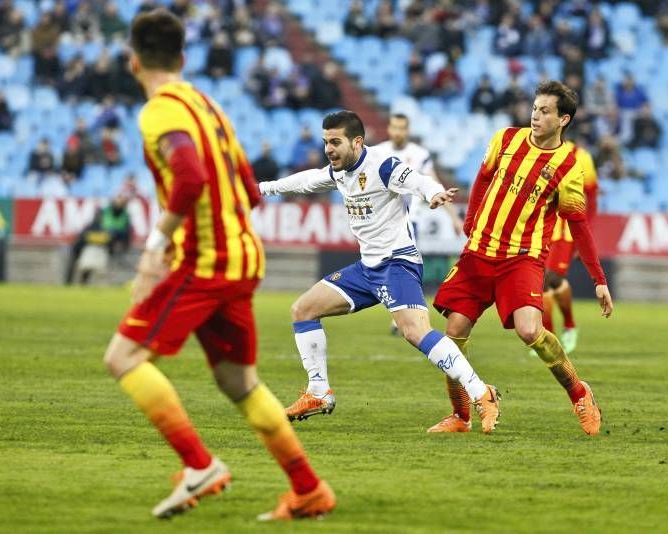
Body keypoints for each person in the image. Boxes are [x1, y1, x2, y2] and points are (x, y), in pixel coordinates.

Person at [102, 10, 335, 522]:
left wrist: (154, 248)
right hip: (245, 255)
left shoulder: (159, 112)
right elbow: (250, 190)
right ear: (183, 59)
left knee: (123, 358)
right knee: (238, 382)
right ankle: (309, 489)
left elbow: (187, 178)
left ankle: (199, 465)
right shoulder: (209, 106)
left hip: (207, 260)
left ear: (133, 60)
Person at [258, 110, 501, 433]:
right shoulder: (338, 172)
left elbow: (417, 180)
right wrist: (263, 188)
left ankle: (480, 393)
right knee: (303, 309)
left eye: (335, 142)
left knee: (415, 332)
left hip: (396, 263)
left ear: (357, 142)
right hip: (367, 268)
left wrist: (433, 193)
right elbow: (305, 181)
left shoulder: (382, 166)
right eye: (326, 142)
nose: (329, 149)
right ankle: (318, 392)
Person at [429, 80, 613, 436]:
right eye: (534, 108)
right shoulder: (505, 139)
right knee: (452, 335)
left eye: (545, 111)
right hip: (479, 252)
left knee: (530, 329)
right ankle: (462, 414)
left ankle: (579, 393)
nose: (535, 116)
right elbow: (483, 179)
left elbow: (579, 225)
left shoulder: (569, 166)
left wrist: (598, 279)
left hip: (521, 258)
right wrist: (470, 223)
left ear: (564, 120)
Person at [375, 113, 462, 335]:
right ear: (389, 128)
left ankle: (405, 317)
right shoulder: (378, 152)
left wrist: (453, 217)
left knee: (403, 268)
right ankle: (404, 314)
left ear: (408, 129)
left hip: (407, 221)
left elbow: (434, 183)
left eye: (402, 128)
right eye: (394, 127)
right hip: (381, 222)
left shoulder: (419, 155)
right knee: (387, 269)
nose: (398, 132)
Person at [539, 139, 599, 355]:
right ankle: (551, 335)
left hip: (565, 230)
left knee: (548, 278)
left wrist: (586, 233)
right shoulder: (534, 150)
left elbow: (591, 196)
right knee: (543, 282)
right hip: (539, 227)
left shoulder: (580, 155)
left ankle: (561, 330)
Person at [64, 194, 131, 285]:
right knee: (75, 251)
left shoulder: (125, 216)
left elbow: (125, 234)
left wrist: (122, 245)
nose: (118, 204)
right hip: (98, 239)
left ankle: (82, 282)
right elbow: (92, 227)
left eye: (121, 201)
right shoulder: (104, 212)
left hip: (109, 243)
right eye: (117, 200)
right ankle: (69, 282)